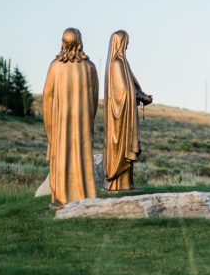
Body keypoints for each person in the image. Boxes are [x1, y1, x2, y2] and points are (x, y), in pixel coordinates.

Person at [43, 28, 99, 208]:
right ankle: (84, 194)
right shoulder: (90, 67)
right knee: (82, 156)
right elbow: (94, 100)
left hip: (61, 125)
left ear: (63, 43)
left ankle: (62, 198)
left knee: (62, 156)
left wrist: (50, 131)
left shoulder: (55, 66)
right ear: (80, 42)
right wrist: (88, 121)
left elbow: (47, 99)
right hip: (82, 125)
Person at [103, 30, 153, 192]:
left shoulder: (123, 63)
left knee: (126, 148)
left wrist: (141, 95)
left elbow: (130, 87)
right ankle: (116, 184)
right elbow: (123, 91)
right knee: (121, 147)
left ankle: (125, 184)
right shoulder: (117, 64)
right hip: (120, 116)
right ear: (120, 42)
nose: (128, 44)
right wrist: (139, 96)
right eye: (127, 41)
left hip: (127, 113)